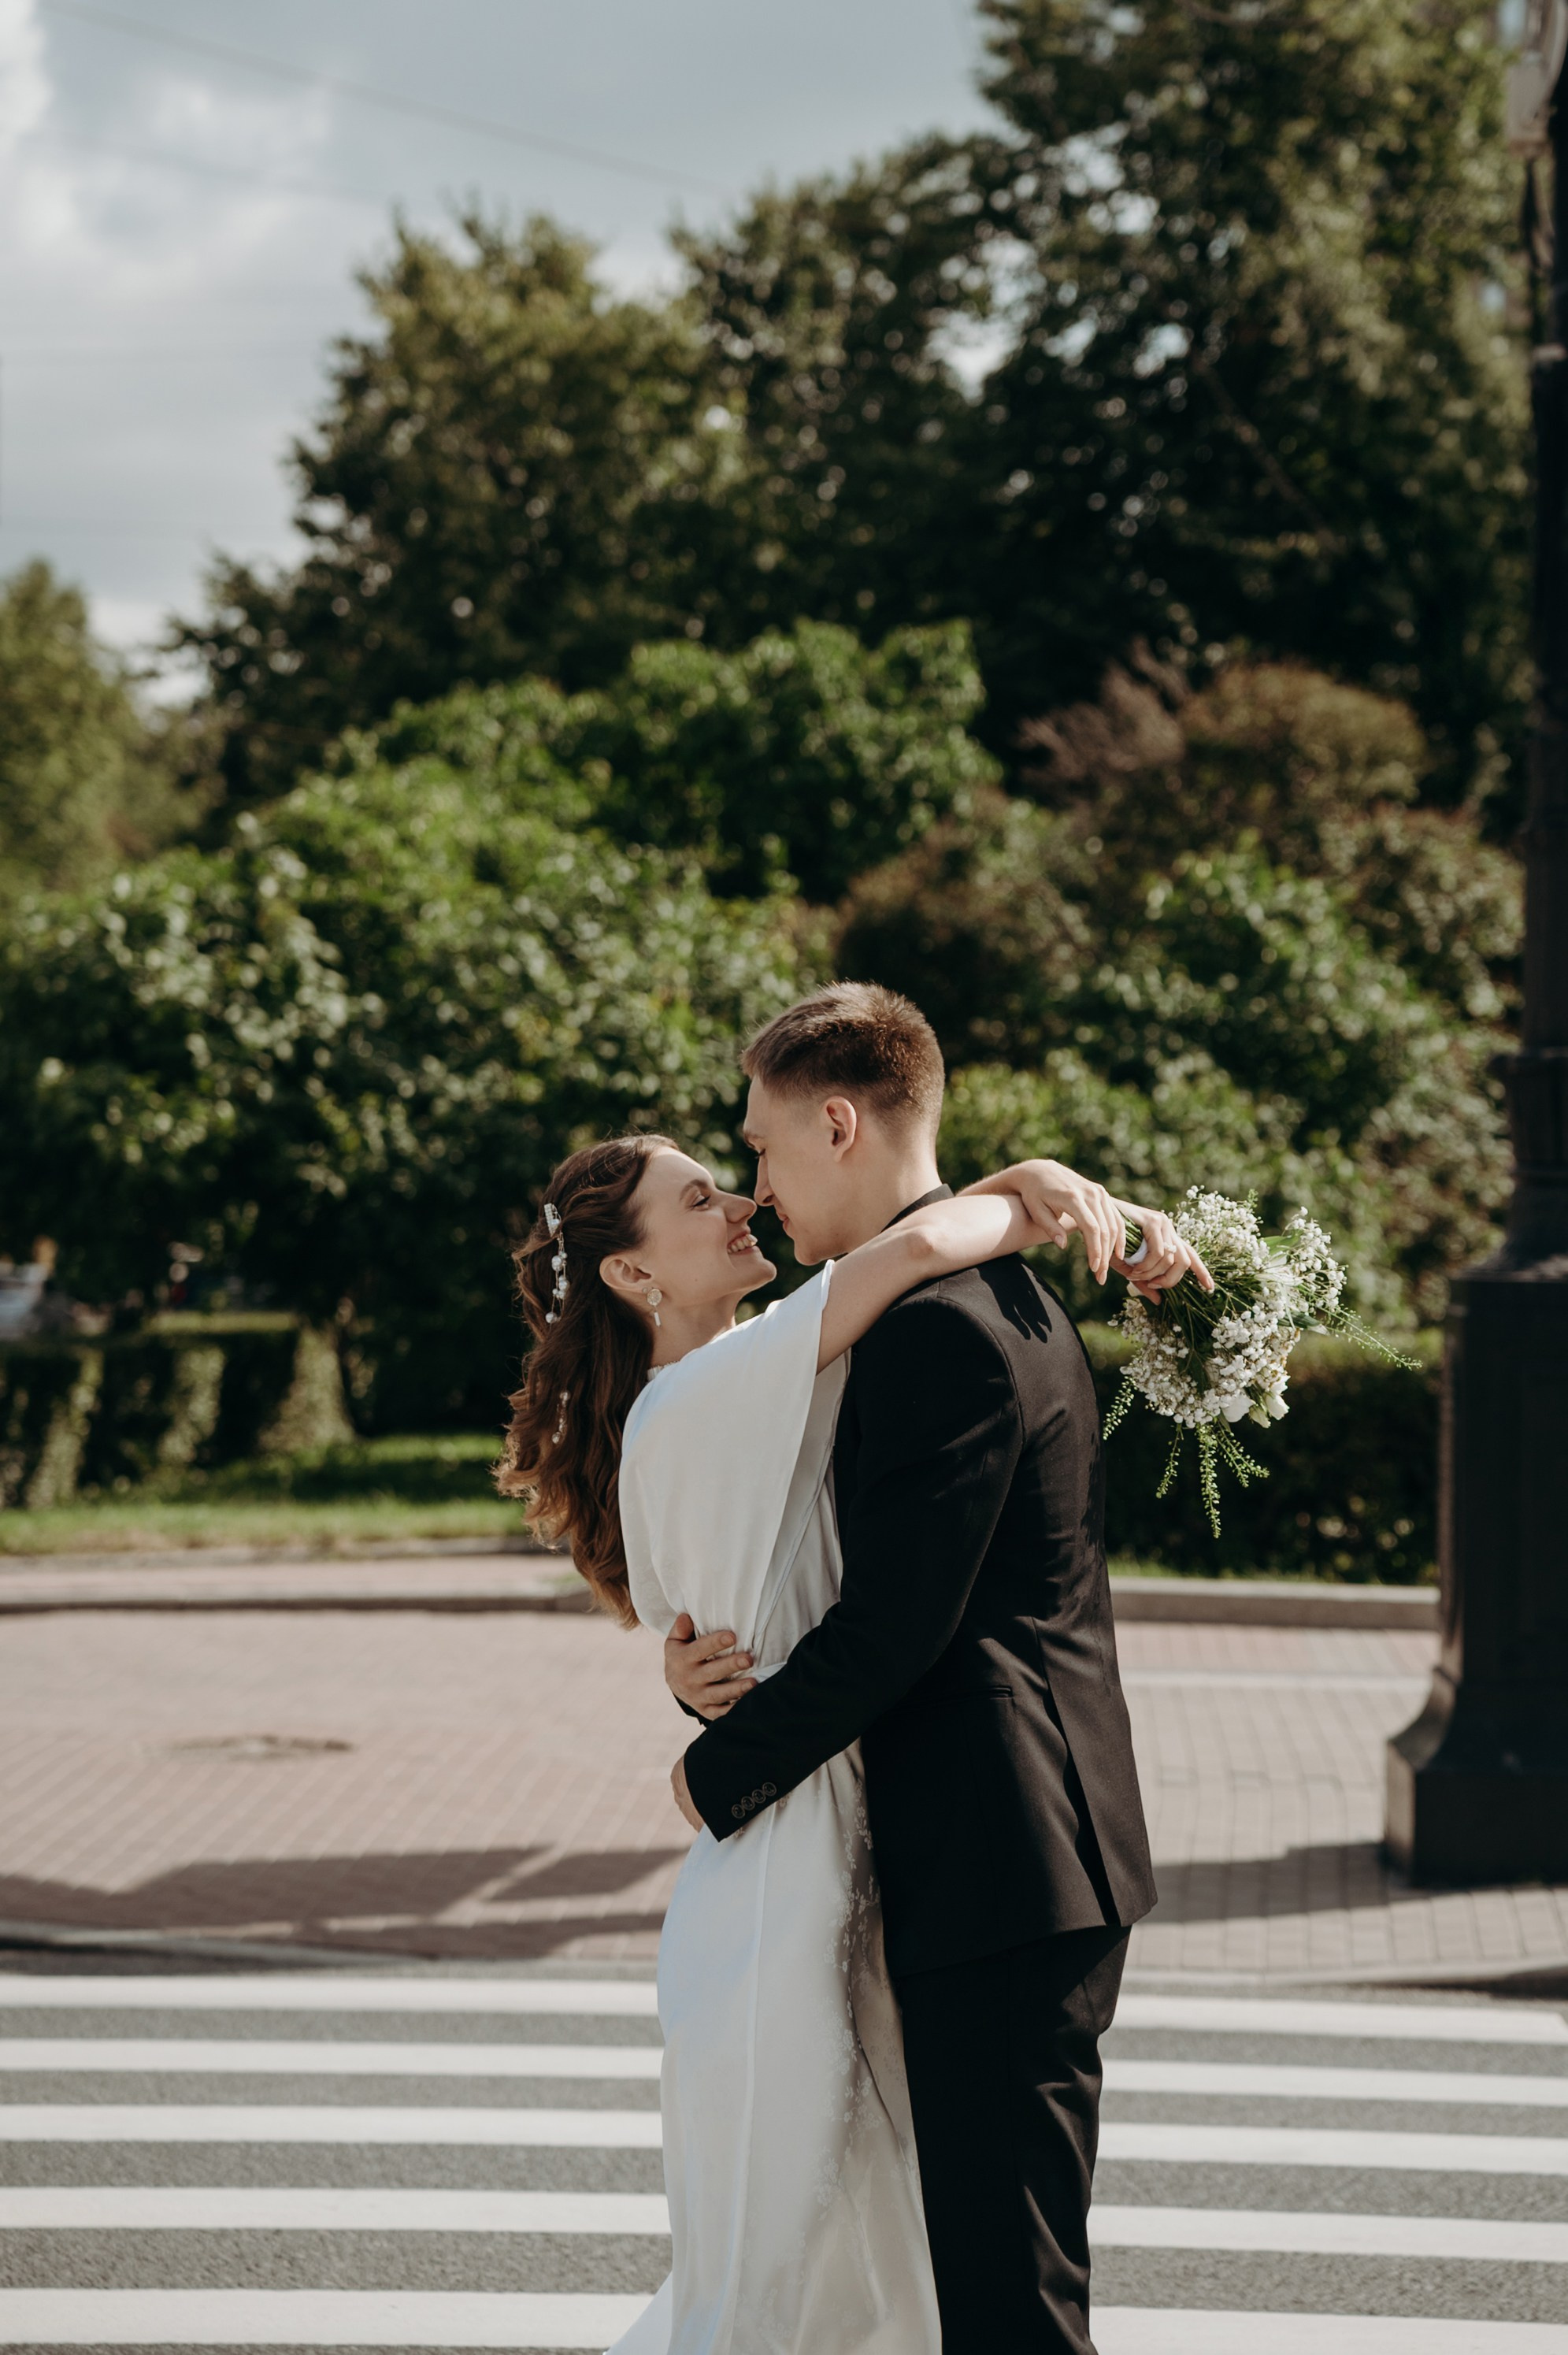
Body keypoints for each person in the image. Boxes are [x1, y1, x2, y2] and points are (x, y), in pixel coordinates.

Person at [497, 994, 1203, 2355]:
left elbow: (893, 1622)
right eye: (711, 1188)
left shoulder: (917, 1327)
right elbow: (786, 1588)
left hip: (981, 1853)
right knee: (898, 2273)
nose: (751, 1198)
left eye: (752, 1157)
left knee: (988, 2294)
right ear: (631, 1278)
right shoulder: (876, 1329)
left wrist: (716, 1763)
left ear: (837, 1122)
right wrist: (1041, 1190)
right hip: (918, 1856)